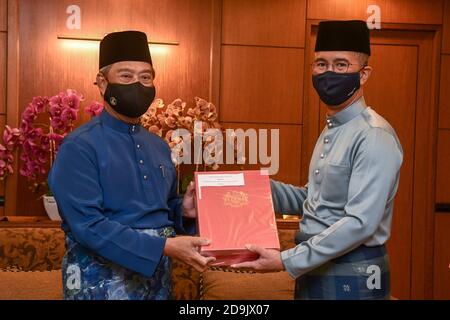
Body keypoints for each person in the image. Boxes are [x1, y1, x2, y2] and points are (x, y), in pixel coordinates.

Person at [231, 20, 403, 300]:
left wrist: (287, 261)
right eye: (321, 64)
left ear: (364, 74)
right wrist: (247, 186)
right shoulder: (333, 127)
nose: (329, 72)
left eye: (341, 64)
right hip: (316, 265)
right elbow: (314, 198)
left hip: (353, 270)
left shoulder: (373, 135)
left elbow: (360, 223)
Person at [48, 30, 215, 300]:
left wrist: (182, 210)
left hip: (156, 278)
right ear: (102, 83)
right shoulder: (79, 147)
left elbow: (162, 210)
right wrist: (164, 247)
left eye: (145, 77)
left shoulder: (159, 146)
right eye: (126, 76)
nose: (137, 84)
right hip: (99, 279)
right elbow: (88, 226)